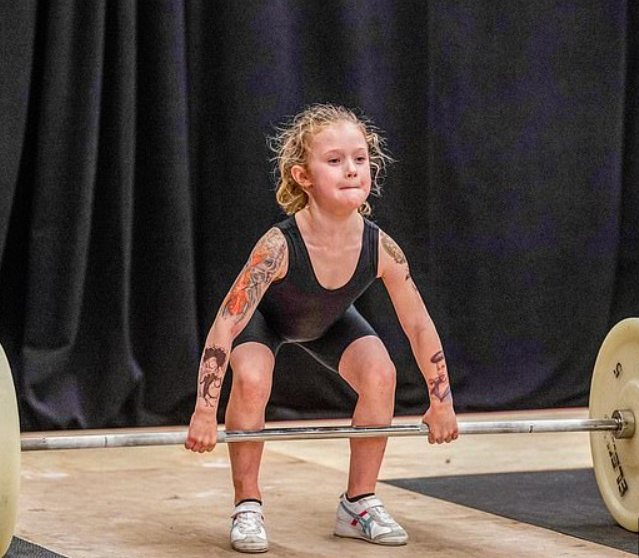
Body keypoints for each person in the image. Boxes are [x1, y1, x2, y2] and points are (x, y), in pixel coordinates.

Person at [185, 103, 458, 553]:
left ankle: (358, 503)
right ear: (302, 177)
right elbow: (225, 325)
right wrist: (203, 410)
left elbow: (419, 325)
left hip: (328, 322)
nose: (351, 169)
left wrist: (441, 401)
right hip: (264, 323)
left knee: (381, 374)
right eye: (334, 160)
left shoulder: (381, 248)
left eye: (360, 158)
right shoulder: (278, 247)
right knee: (252, 378)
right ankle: (247, 505)